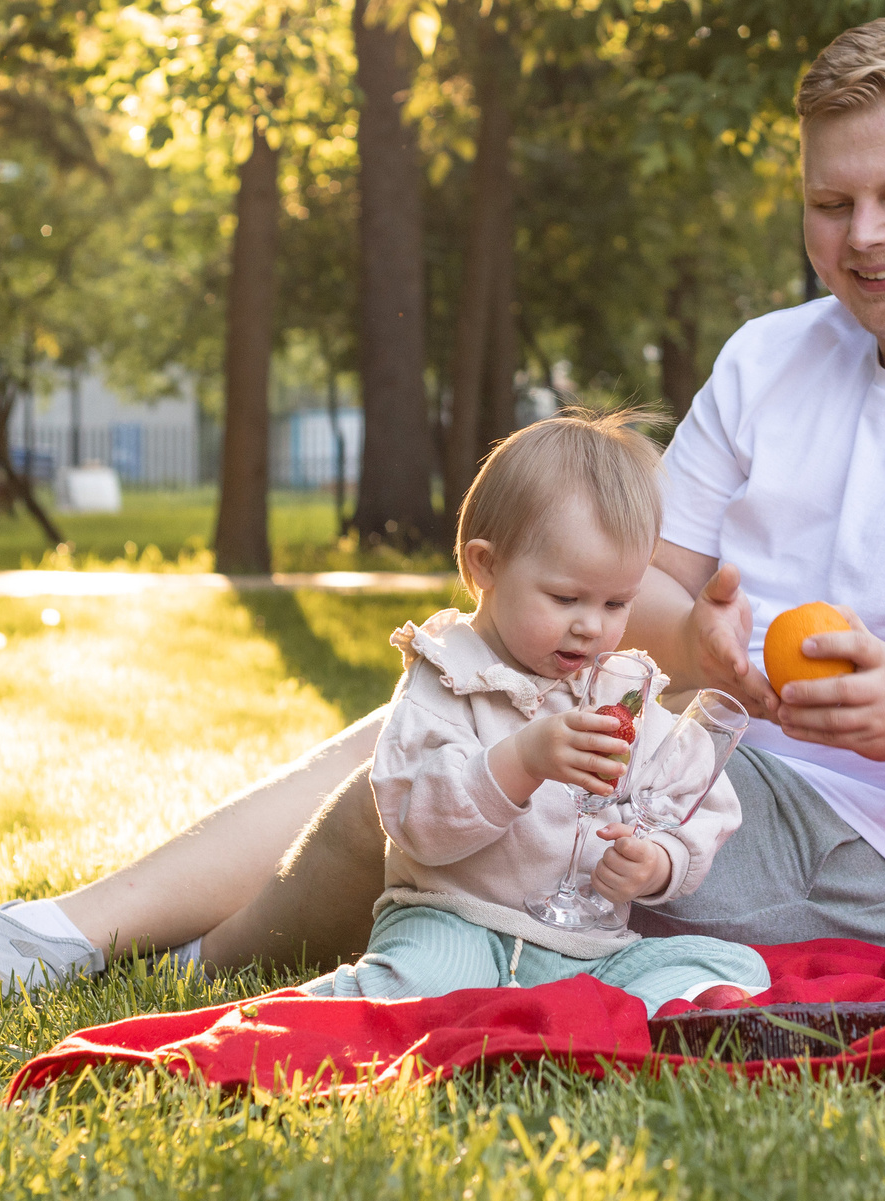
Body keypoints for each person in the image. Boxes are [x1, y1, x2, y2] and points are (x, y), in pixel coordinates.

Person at [0, 18, 885, 996]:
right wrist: (703, 654)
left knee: (441, 786)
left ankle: (187, 975)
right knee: (459, 699)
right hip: (729, 756)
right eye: (831, 203)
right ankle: (70, 937)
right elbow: (631, 588)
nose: (862, 238)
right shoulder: (775, 355)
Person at [288, 408, 768, 1012]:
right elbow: (415, 818)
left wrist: (659, 861)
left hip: (584, 947)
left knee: (732, 963)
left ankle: (625, 1016)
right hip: (456, 921)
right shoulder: (449, 676)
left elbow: (699, 792)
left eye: (618, 602)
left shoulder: (621, 690)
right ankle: (300, 1020)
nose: (592, 626)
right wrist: (522, 759)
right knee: (425, 980)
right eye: (565, 597)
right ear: (483, 566)